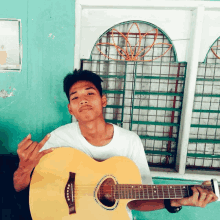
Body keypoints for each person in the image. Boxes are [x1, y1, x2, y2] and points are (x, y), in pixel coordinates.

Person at [13, 69, 218, 219]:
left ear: (103, 100)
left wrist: (177, 200)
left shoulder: (129, 141)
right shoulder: (59, 138)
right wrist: (24, 168)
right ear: (70, 109)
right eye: (75, 97)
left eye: (89, 93)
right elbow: (20, 187)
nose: (83, 100)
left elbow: (137, 200)